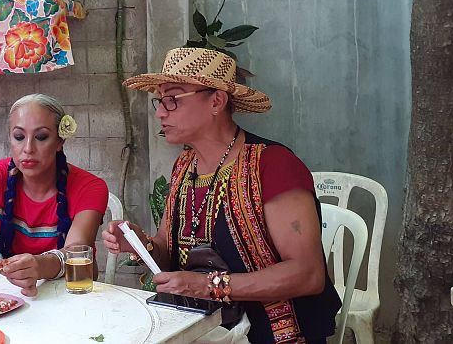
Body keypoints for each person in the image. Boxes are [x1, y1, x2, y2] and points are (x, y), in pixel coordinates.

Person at [103, 47, 341, 343]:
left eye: (173, 99)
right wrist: (142, 246)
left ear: (216, 101)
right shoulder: (184, 166)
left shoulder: (273, 165)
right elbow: (168, 254)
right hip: (202, 327)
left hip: (274, 333)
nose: (161, 112)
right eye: (159, 100)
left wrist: (207, 285)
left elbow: (307, 275)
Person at [0, 94, 108, 296]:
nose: (28, 148)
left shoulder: (90, 187)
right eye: (19, 137)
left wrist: (39, 266)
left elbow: (76, 252)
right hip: (10, 293)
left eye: (41, 137)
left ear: (60, 141)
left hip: (72, 295)